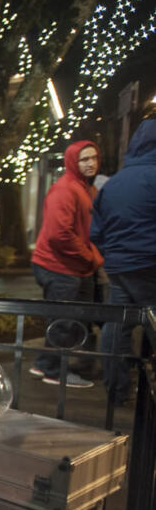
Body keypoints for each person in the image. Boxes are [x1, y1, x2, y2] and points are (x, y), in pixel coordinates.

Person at [92, 117, 156, 404]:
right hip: (149, 263)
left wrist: (114, 254)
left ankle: (116, 392)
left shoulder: (112, 184)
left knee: (117, 325)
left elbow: (96, 231)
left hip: (118, 266)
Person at [29, 140, 103, 388]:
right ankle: (53, 371)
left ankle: (45, 364)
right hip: (60, 266)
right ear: (73, 161)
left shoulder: (84, 188)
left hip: (72, 266)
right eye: (84, 159)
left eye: (93, 158)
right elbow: (59, 235)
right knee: (64, 322)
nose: (90, 163)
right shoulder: (66, 189)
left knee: (68, 321)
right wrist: (90, 256)